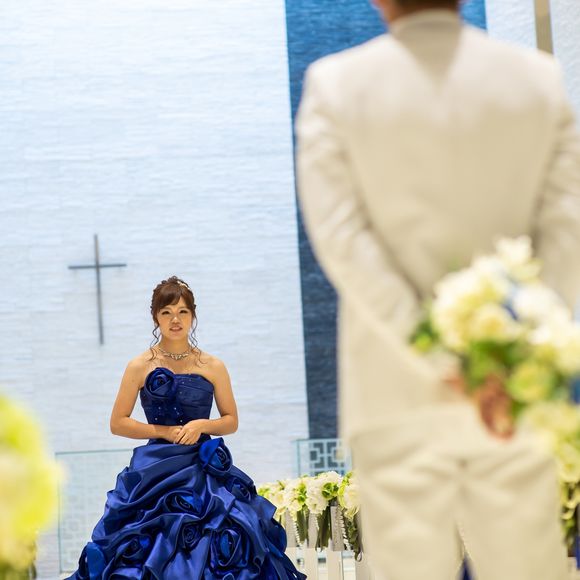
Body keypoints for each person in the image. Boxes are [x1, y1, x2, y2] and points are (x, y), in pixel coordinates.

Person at [296, 0, 580, 579]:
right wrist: (509, 352)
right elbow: (566, 233)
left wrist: (434, 351)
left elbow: (343, 240)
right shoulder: (536, 80)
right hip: (510, 388)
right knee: (527, 566)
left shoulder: (336, 86)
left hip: (395, 388)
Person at [68, 276, 305, 579]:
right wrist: (163, 432)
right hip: (156, 470)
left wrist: (202, 424)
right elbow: (118, 422)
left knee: (226, 532)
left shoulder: (212, 365)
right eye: (166, 312)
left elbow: (231, 420)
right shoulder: (140, 365)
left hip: (203, 465)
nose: (175, 320)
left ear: (193, 315)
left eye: (182, 311)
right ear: (155, 317)